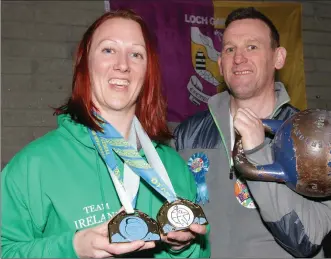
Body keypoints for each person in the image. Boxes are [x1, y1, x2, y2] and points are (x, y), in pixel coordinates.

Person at [1, 9, 210, 258]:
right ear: (85, 64)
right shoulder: (34, 165)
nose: (122, 65)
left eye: (136, 54)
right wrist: (73, 248)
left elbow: (201, 253)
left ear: (148, 72)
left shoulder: (172, 166)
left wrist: (181, 247)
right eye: (108, 50)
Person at [173, 7, 331, 258]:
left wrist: (257, 153)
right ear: (220, 63)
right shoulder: (188, 133)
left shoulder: (314, 138)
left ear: (278, 57)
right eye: (229, 49)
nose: (238, 58)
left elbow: (306, 240)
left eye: (252, 47)